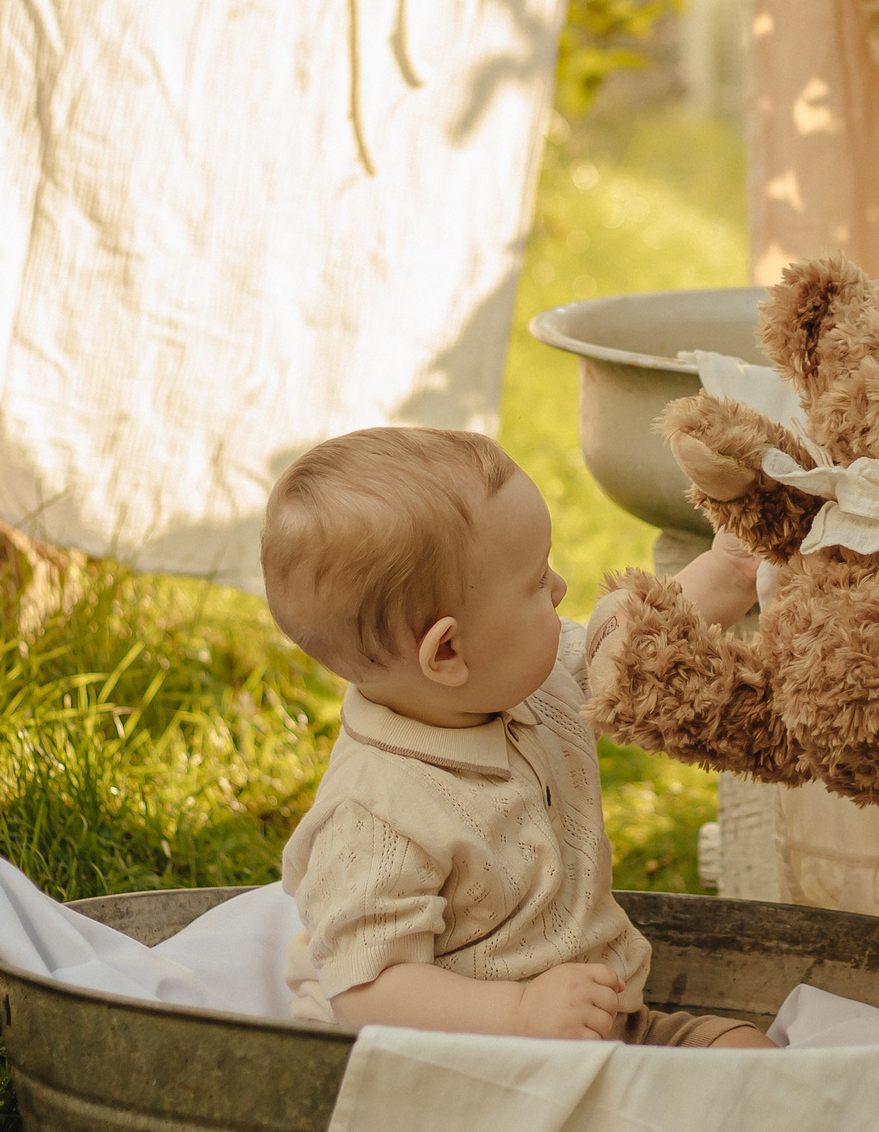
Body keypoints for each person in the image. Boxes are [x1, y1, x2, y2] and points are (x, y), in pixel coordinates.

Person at [261, 427, 774, 1047]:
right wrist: (521, 1012)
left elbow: (625, 647)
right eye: (535, 581)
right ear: (447, 650)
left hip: (596, 1022)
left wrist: (729, 568)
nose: (559, 588)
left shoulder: (519, 681)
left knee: (747, 1056)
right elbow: (368, 991)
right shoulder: (379, 812)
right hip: (461, 1060)